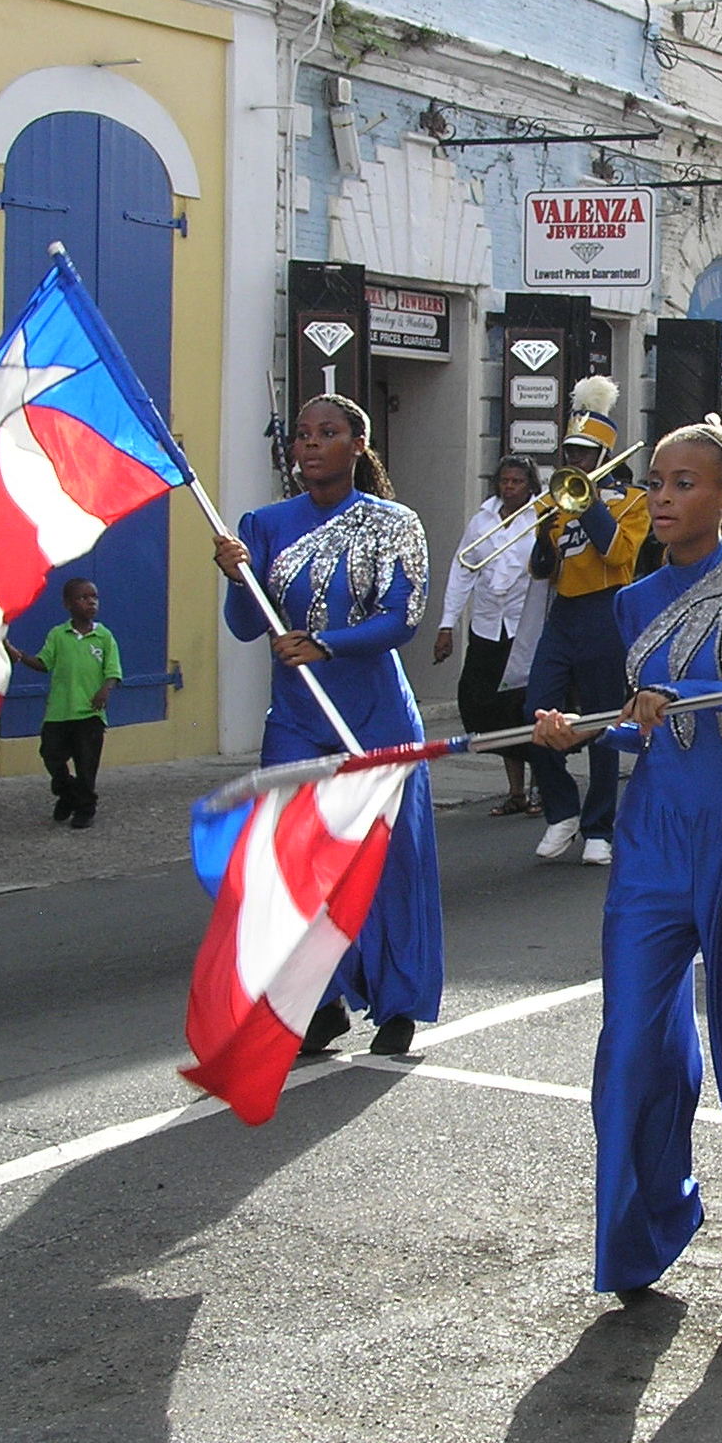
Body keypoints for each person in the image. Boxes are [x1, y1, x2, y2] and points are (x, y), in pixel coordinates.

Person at [531, 416, 722, 1329]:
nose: (661, 497)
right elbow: (642, 722)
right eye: (656, 482)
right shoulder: (633, 598)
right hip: (653, 834)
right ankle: (639, 1230)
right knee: (630, 1043)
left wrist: (685, 695)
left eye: (685, 483)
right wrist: (586, 728)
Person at [212, 392, 441, 1058]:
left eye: (329, 432)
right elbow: (246, 625)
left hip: (374, 714)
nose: (311, 444)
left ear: (358, 445)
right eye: (305, 434)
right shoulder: (262, 524)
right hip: (296, 718)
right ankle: (320, 1001)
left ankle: (398, 1003)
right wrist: (237, 579)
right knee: (295, 864)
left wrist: (328, 643)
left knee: (386, 859)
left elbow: (404, 617)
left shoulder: (394, 522)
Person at [525, 374, 647, 867]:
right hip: (564, 613)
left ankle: (600, 826)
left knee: (600, 721)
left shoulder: (633, 502)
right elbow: (541, 570)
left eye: (584, 455)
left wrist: (588, 504)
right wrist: (543, 536)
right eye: (571, 454)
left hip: (606, 610)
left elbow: (619, 553)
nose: (575, 463)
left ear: (603, 457)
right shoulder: (551, 501)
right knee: (535, 709)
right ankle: (562, 810)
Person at [436, 455, 542, 818]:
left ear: (530, 485)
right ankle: (516, 792)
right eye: (505, 481)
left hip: (524, 628)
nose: (509, 487)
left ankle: (540, 786)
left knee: (526, 708)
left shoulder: (541, 517)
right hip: (486, 626)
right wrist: (447, 624)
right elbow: (463, 570)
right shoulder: (481, 520)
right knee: (483, 704)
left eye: (517, 482)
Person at [3, 578, 120, 830]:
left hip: (90, 713)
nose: (90, 602)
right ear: (68, 604)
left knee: (87, 764)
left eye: (94, 597)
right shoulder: (58, 634)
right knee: (51, 756)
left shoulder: (104, 637)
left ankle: (85, 808)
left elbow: (113, 671)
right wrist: (21, 656)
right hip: (59, 712)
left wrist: (105, 689)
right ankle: (67, 793)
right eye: (83, 597)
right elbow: (44, 663)